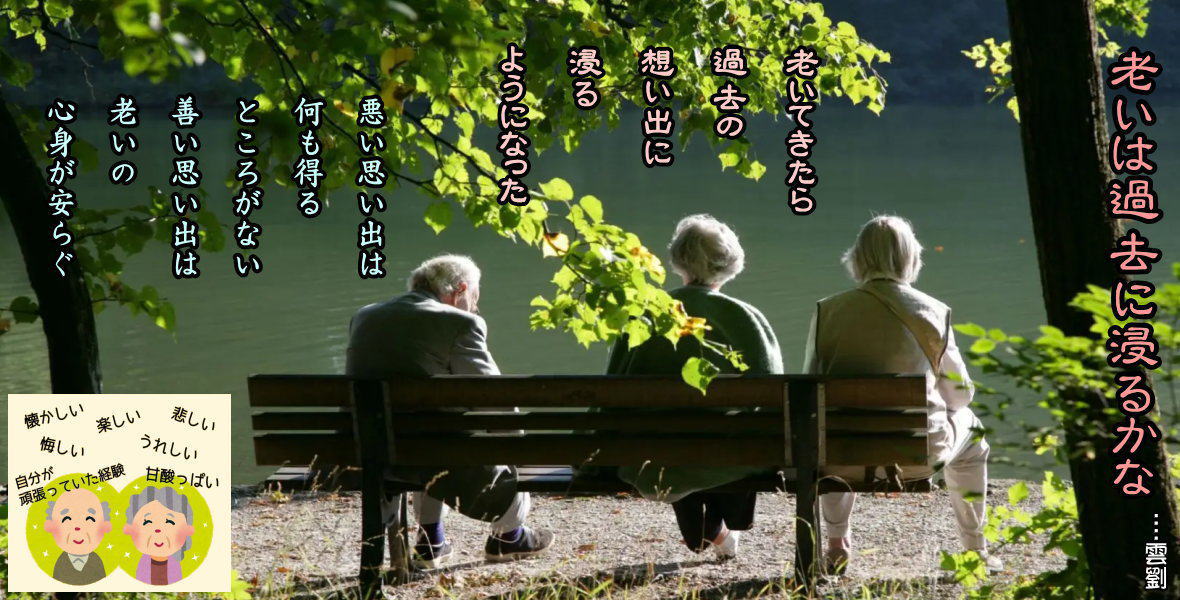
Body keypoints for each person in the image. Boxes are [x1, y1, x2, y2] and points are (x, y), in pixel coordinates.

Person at [803, 215, 1001, 574]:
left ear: (857, 258)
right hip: (917, 456)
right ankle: (975, 550)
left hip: (840, 455)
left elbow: (809, 387)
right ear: (912, 258)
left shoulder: (827, 310)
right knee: (973, 433)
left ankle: (836, 543)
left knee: (836, 425)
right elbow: (959, 398)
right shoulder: (934, 311)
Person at [346, 254, 554, 570]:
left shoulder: (365, 316)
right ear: (461, 290)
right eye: (475, 298)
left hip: (370, 453)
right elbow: (494, 398)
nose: (475, 307)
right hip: (436, 452)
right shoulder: (460, 323)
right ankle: (509, 536)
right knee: (458, 442)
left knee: (428, 437)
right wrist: (516, 445)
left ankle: (431, 541)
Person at [607, 214, 783, 559]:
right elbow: (773, 396)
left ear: (678, 259)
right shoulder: (748, 318)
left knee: (671, 431)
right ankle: (724, 523)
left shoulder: (646, 316)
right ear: (730, 264)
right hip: (729, 456)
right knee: (732, 431)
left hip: (655, 456)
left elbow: (612, 391)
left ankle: (709, 531)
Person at [123, 486, 195, 585]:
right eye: (147, 522)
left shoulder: (176, 565)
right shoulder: (142, 565)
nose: (158, 530)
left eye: (169, 522)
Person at [44, 488, 111, 585]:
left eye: (89, 519)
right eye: (67, 519)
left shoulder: (98, 562)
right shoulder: (59, 564)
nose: (78, 527)